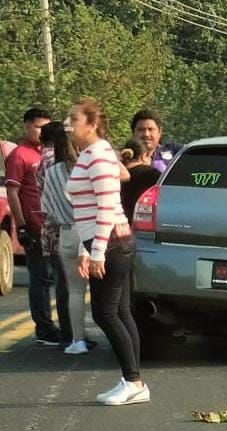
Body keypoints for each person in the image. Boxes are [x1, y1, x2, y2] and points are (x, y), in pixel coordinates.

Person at [66, 98, 150, 405]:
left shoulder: (98, 154)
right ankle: (134, 381)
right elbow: (86, 210)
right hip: (109, 240)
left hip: (111, 242)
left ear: (91, 124)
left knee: (106, 313)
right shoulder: (94, 153)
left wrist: (97, 251)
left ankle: (133, 381)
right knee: (121, 312)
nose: (68, 124)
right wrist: (85, 249)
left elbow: (105, 206)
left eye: (73, 119)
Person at [6, 107, 70, 346]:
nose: (41, 132)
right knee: (41, 278)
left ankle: (63, 326)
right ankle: (44, 329)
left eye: (46, 127)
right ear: (26, 126)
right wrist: (21, 226)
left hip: (53, 226)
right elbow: (13, 192)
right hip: (34, 226)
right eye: (37, 127)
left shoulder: (50, 153)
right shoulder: (20, 155)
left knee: (59, 278)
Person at [41, 121, 96, 355]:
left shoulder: (51, 171)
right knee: (102, 290)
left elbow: (47, 208)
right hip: (88, 229)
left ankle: (77, 340)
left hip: (65, 232)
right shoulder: (86, 168)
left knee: (74, 291)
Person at [119, 138, 161, 223]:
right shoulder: (152, 174)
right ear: (143, 155)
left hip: (116, 224)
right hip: (142, 224)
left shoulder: (114, 173)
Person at [129, 109, 182, 174]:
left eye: (151, 129)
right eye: (141, 130)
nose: (146, 134)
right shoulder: (125, 157)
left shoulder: (174, 151)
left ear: (159, 132)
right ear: (133, 132)